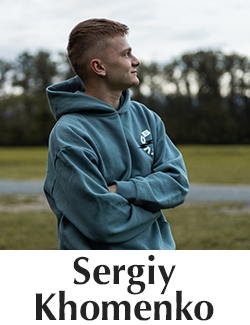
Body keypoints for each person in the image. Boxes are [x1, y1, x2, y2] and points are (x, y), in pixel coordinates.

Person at [43, 18, 189, 250]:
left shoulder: (146, 117)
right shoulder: (69, 134)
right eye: (125, 54)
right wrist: (153, 203)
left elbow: (178, 183)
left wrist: (122, 190)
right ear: (99, 67)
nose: (136, 61)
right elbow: (104, 221)